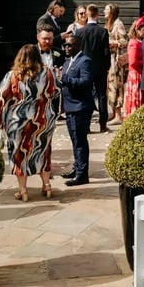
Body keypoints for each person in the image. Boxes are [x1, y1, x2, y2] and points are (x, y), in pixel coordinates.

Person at [0, 44, 59, 201]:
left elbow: (3, 98)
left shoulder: (13, 75)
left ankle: (23, 191)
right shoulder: (48, 73)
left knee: (19, 155)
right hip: (43, 119)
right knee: (43, 152)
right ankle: (47, 186)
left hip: (19, 120)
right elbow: (54, 92)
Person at [57, 33, 95, 186]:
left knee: (80, 142)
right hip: (70, 106)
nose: (66, 48)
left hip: (80, 107)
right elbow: (64, 82)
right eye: (65, 45)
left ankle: (82, 174)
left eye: (69, 45)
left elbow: (85, 82)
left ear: (78, 46)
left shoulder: (84, 61)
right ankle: (76, 167)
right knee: (74, 140)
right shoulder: (68, 62)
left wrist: (66, 79)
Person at [77, 4, 111, 131]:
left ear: (86, 14)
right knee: (102, 95)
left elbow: (77, 51)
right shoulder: (103, 32)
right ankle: (103, 124)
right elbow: (106, 52)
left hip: (85, 68)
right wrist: (107, 66)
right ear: (97, 15)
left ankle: (86, 125)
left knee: (86, 95)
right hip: (100, 68)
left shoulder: (80, 32)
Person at [105, 4, 128, 125]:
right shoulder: (110, 24)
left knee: (116, 86)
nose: (104, 11)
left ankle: (118, 115)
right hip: (110, 58)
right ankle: (113, 112)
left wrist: (111, 42)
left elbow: (124, 41)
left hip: (116, 60)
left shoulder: (118, 24)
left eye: (107, 10)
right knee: (110, 86)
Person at [124, 16, 144, 117]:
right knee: (136, 97)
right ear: (137, 29)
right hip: (136, 74)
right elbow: (133, 62)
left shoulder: (140, 41)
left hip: (139, 73)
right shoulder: (134, 43)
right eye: (143, 30)